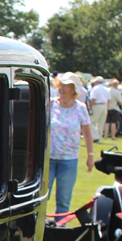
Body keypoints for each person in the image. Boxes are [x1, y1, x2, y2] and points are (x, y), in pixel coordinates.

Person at [49, 72, 94, 217]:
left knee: (63, 200)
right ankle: (39, 232)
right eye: (60, 85)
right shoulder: (50, 104)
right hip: (48, 158)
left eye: (65, 86)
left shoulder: (80, 108)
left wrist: (90, 156)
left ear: (73, 89)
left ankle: (60, 231)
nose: (61, 89)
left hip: (69, 160)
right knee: (42, 197)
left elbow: (87, 133)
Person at [88, 76, 109, 142]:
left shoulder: (95, 88)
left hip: (97, 105)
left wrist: (91, 107)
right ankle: (98, 138)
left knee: (91, 122)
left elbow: (93, 99)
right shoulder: (106, 89)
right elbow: (108, 100)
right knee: (101, 123)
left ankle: (95, 137)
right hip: (104, 106)